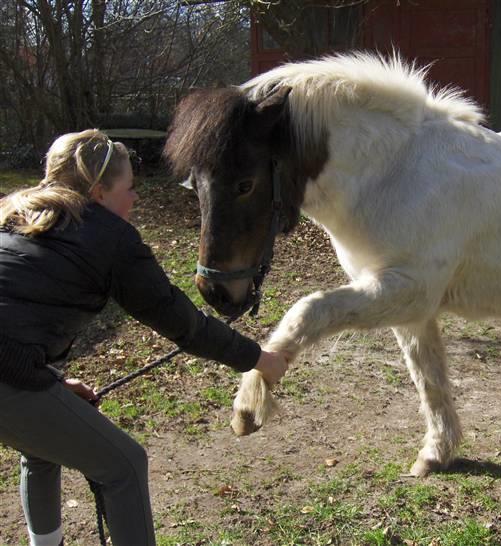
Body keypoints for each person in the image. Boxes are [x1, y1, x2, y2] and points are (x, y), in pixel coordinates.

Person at [0, 129, 287, 546]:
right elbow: (183, 325)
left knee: (42, 449)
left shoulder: (15, 212)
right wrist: (258, 358)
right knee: (125, 465)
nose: (135, 198)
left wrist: (55, 384)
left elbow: (18, 311)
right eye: (130, 188)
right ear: (100, 193)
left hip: (16, 367)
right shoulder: (108, 236)